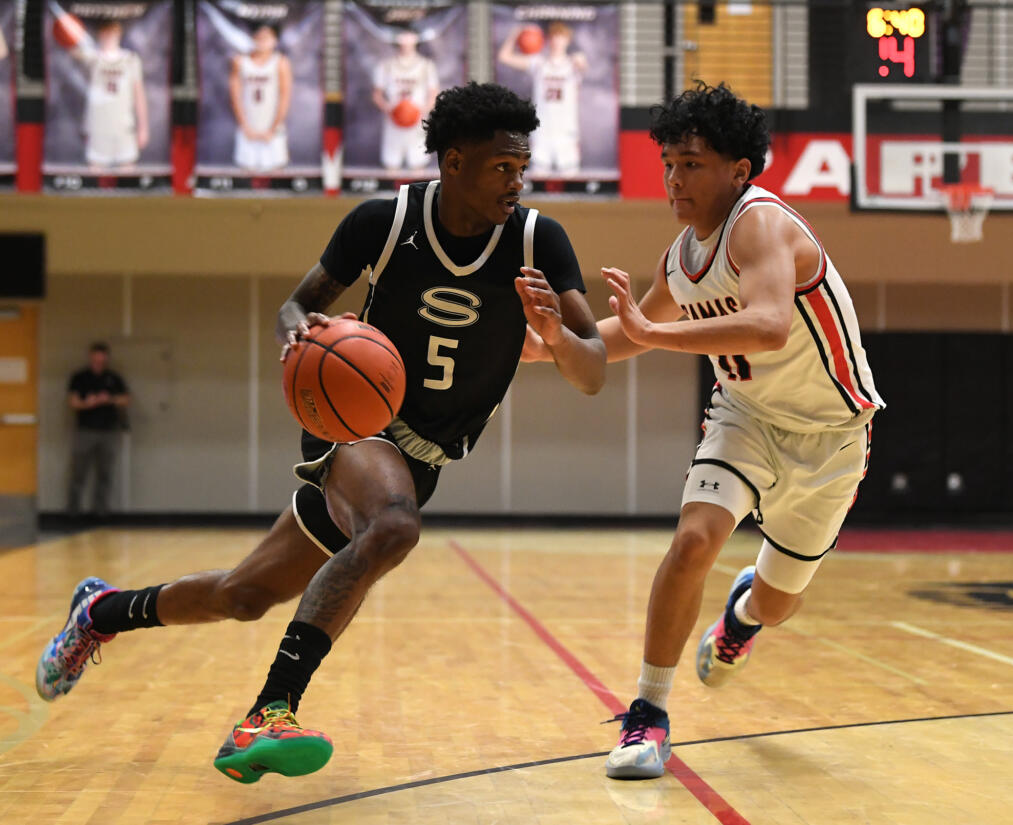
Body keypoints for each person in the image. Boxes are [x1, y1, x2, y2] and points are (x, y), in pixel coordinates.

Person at [36, 82, 606, 784]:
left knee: (243, 595)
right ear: (453, 162)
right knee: (395, 526)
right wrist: (298, 332)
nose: (517, 181)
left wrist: (554, 332)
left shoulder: (537, 240)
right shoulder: (385, 222)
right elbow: (294, 308)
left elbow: (593, 369)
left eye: (523, 167)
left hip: (425, 455)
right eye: (502, 167)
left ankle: (101, 611)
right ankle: (268, 712)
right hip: (356, 424)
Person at [526, 82, 883, 779]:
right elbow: (629, 335)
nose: (673, 178)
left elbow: (771, 323)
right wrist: (544, 347)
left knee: (779, 605)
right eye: (668, 162)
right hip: (745, 416)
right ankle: (647, 715)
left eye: (690, 163)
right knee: (692, 540)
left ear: (738, 169)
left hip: (831, 434)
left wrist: (658, 330)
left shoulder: (763, 225)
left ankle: (743, 618)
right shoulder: (682, 255)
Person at [498, 21, 587, 176]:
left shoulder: (573, 64)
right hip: (542, 131)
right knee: (539, 180)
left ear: (567, 40)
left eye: (562, 37)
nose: (557, 41)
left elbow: (583, 65)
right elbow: (504, 57)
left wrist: (580, 59)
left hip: (566, 132)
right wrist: (515, 34)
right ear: (548, 40)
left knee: (572, 182)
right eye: (554, 37)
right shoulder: (539, 63)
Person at [71, 20, 149, 168]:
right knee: (95, 166)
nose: (108, 36)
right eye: (105, 33)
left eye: (112, 32)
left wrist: (143, 127)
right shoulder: (93, 57)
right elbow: (73, 50)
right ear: (100, 35)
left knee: (127, 167)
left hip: (123, 124)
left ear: (119, 34)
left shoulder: (131, 60)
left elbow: (139, 96)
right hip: (98, 124)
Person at [66, 342, 130, 518]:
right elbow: (73, 402)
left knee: (105, 473)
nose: (98, 363)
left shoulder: (114, 378)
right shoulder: (80, 377)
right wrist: (88, 403)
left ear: (106, 359)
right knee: (78, 472)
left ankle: (100, 511)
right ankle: (73, 511)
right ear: (90, 357)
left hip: (108, 431)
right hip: (85, 430)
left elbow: (125, 400)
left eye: (101, 360)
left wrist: (108, 399)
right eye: (95, 360)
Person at [371, 28, 440, 172]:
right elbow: (377, 94)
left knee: (418, 167)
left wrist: (422, 110)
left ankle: (418, 195)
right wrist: (389, 108)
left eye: (409, 34)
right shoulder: (386, 65)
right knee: (391, 166)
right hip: (393, 123)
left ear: (416, 37)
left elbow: (434, 94)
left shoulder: (426, 65)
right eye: (402, 34)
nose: (406, 38)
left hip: (417, 123)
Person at [230, 23, 292, 173]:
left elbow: (285, 97)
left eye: (267, 37)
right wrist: (245, 126)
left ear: (275, 40)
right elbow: (235, 96)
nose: (262, 41)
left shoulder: (280, 62)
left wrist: (273, 128)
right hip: (248, 128)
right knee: (245, 177)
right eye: (259, 37)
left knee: (276, 177)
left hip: (272, 129)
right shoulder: (240, 61)